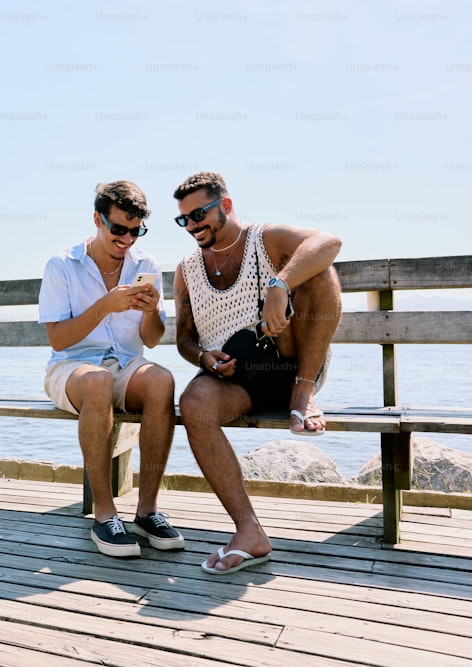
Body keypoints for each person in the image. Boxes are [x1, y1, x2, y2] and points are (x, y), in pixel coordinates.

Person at [172, 171, 342, 574]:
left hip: (290, 361)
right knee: (193, 403)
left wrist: (280, 284)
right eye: (184, 220)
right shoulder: (186, 270)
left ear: (226, 206)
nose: (193, 225)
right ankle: (249, 531)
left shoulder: (265, 238)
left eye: (199, 214)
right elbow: (183, 339)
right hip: (236, 378)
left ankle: (302, 395)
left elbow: (329, 243)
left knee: (320, 271)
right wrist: (203, 358)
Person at [39, 180, 184, 558]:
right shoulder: (62, 264)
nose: (126, 240)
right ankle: (105, 514)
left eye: (135, 232)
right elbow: (58, 340)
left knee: (162, 381)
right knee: (99, 381)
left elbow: (151, 340)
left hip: (126, 365)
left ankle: (147, 511)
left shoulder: (146, 264)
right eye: (118, 229)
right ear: (97, 219)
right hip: (71, 369)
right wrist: (105, 305)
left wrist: (151, 310)